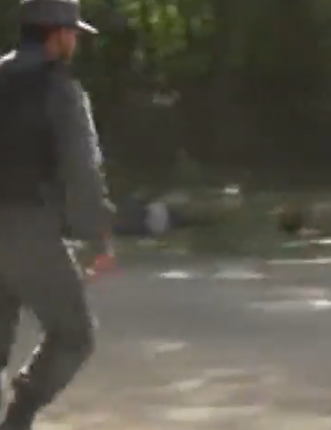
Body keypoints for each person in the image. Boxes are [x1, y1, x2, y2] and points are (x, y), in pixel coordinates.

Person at [0, 1, 114, 428]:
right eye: (74, 32)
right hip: (28, 228)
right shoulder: (60, 90)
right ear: (57, 34)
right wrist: (97, 235)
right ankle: (18, 417)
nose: (76, 41)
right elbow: (82, 169)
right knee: (73, 335)